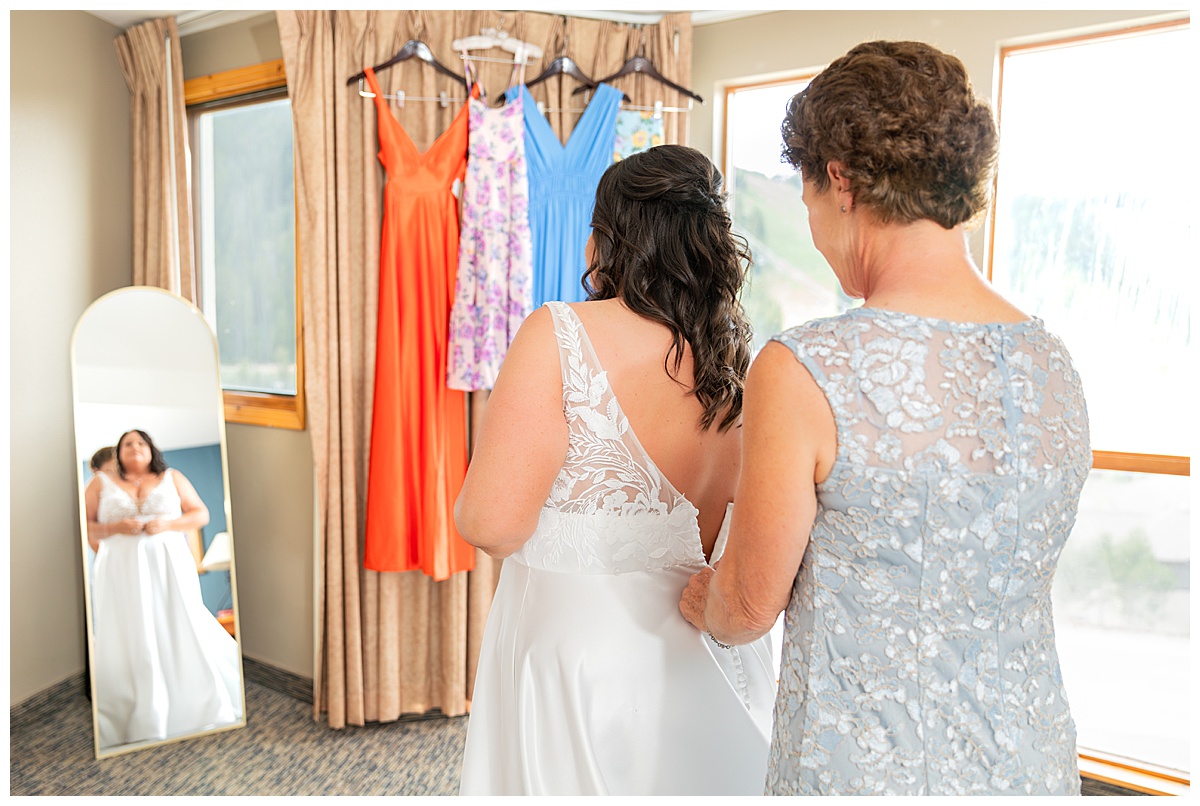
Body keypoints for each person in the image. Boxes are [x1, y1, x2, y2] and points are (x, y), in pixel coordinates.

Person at [680, 41, 1091, 796]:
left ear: (839, 181)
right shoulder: (1053, 363)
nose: (811, 227)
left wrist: (695, 593)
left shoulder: (808, 367)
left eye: (804, 201)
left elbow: (745, 607)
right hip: (1031, 760)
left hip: (865, 772)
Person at [456, 144, 776, 795]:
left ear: (608, 239)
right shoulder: (746, 365)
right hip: (715, 660)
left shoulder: (560, 334)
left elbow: (491, 523)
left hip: (582, 667)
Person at [84, 429, 243, 749]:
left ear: (150, 448)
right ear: (118, 452)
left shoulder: (173, 477)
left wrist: (167, 524)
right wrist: (114, 527)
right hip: (120, 570)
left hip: (169, 566)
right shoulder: (100, 484)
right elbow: (83, 523)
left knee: (178, 620)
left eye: (140, 442)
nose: (134, 447)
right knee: (130, 629)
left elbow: (201, 514)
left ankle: (196, 700)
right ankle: (136, 710)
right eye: (127, 443)